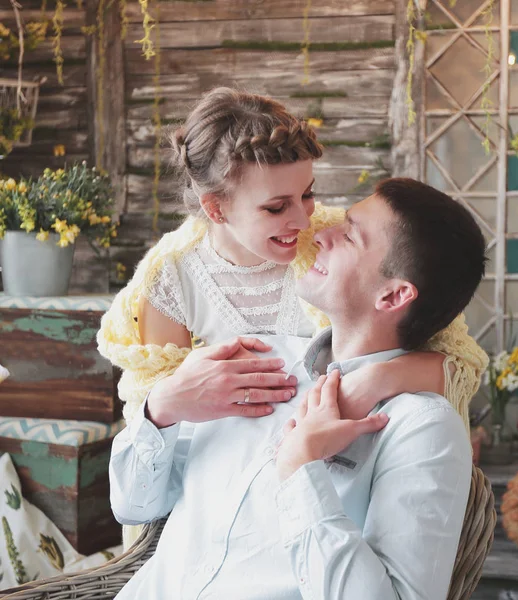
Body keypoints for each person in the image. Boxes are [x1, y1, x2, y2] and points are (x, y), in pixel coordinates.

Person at [109, 178, 486, 599]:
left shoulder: (419, 428)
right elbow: (133, 506)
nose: (317, 234)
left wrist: (300, 468)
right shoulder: (250, 360)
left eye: (348, 236)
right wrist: (161, 409)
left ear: (394, 294)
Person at [97, 88, 486, 432]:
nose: (303, 222)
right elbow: (152, 425)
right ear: (215, 209)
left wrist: (376, 379)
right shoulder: (170, 280)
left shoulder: (339, 241)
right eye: (276, 207)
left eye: (307, 194)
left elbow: (462, 368)